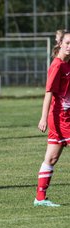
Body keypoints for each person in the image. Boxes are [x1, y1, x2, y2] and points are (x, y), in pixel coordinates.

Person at [34, 31, 70, 207]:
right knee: (51, 158)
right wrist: (43, 118)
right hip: (60, 118)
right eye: (68, 43)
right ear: (61, 44)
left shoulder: (67, 64)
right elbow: (49, 93)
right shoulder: (57, 66)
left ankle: (40, 198)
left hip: (65, 117)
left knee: (51, 159)